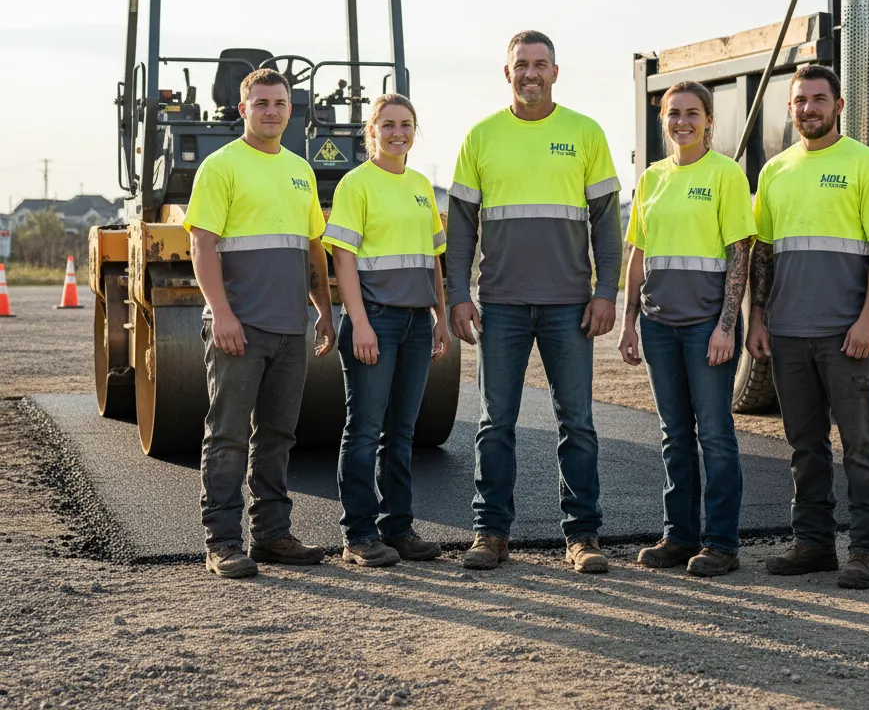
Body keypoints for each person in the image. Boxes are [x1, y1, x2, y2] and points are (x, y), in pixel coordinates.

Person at [447, 30, 623, 574]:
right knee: (495, 423)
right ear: (507, 73)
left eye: (540, 64)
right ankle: (490, 533)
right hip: (500, 306)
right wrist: (458, 295)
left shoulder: (585, 132)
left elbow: (607, 226)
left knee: (578, 423)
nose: (530, 73)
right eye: (521, 64)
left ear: (555, 71)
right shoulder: (481, 136)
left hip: (570, 307)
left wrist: (605, 291)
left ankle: (582, 536)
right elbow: (459, 229)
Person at [746, 64, 869, 590]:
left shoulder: (867, 165)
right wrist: (759, 320)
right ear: (789, 109)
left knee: (861, 445)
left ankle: (866, 552)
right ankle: (813, 544)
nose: (809, 108)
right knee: (804, 445)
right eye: (800, 101)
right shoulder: (774, 172)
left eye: (819, 99)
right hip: (789, 334)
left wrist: (867, 321)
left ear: (839, 106)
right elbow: (763, 255)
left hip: (847, 335)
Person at [185, 67, 336, 579]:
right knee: (227, 435)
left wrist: (324, 307)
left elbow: (312, 245)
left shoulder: (301, 171)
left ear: (291, 110)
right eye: (262, 102)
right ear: (243, 108)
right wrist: (222, 313)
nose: (271, 110)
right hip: (240, 328)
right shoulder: (220, 166)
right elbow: (201, 245)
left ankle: (272, 535)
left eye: (280, 103)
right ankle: (222, 541)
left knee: (277, 435)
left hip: (291, 328)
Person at [618, 82, 754, 576]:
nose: (682, 122)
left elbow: (741, 253)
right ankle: (679, 537)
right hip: (658, 326)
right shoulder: (651, 179)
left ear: (709, 120)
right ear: (663, 119)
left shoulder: (726, 175)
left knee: (715, 435)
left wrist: (726, 327)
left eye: (692, 113)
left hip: (705, 329)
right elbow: (638, 253)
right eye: (674, 113)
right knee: (674, 435)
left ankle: (721, 543)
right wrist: (629, 321)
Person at [322, 94, 451, 567]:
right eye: (389, 124)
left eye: (407, 124)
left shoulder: (421, 186)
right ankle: (358, 535)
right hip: (374, 318)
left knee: (401, 433)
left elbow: (433, 259)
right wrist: (359, 323)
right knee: (364, 430)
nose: (399, 132)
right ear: (371, 131)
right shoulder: (356, 184)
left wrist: (439, 316)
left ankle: (398, 528)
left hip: (418, 322)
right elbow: (343, 258)